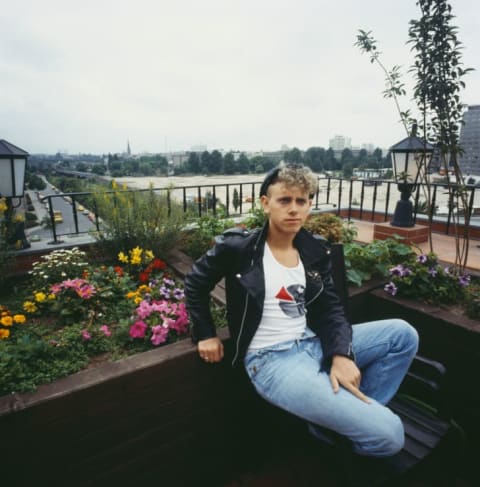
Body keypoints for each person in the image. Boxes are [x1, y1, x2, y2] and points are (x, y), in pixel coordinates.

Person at [184, 163, 419, 457]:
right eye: (285, 200)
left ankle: (345, 419)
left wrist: (341, 354)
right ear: (265, 204)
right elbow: (194, 284)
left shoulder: (313, 250)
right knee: (390, 435)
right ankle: (354, 425)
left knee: (402, 334)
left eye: (302, 200)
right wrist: (205, 333)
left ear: (309, 205)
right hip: (273, 361)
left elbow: (330, 307)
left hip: (312, 342)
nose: (294, 209)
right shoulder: (238, 248)